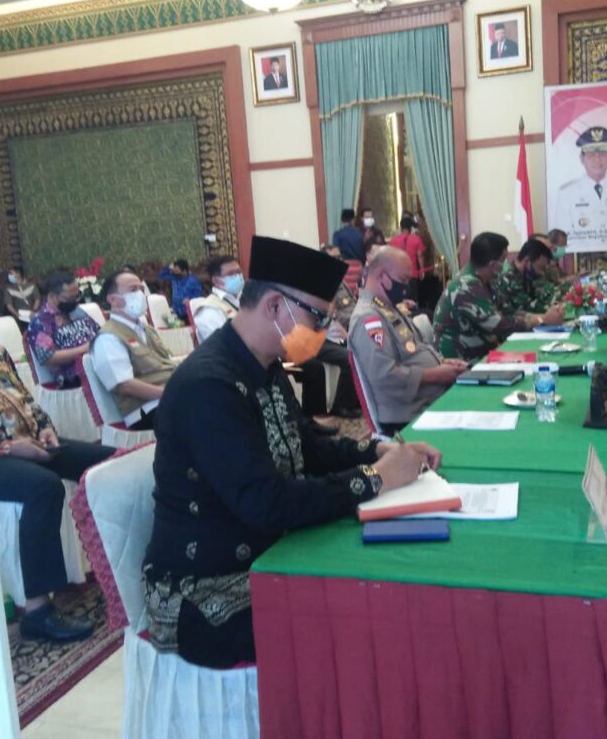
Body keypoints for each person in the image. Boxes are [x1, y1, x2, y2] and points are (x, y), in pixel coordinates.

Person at [142, 236, 441, 669]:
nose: (322, 331)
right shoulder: (208, 386)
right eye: (317, 317)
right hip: (206, 589)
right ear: (274, 307)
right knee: (363, 613)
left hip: (270, 546)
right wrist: (375, 478)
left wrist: (380, 451)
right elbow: (267, 503)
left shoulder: (264, 364)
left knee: (391, 574)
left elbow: (307, 446)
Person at [0, 273, 114, 641]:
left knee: (110, 462)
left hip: (28, 439)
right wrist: (8, 448)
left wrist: (44, 428)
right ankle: (37, 611)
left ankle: (119, 563)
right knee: (43, 487)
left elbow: (24, 398)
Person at [350, 247, 468, 433]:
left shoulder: (388, 308)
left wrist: (443, 363)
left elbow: (414, 351)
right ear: (381, 276)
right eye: (403, 280)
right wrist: (436, 375)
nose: (407, 287)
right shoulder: (369, 319)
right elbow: (385, 376)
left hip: (429, 399)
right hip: (409, 414)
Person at [433, 232, 561, 360]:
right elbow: (498, 325)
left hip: (484, 353)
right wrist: (541, 320)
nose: (505, 265)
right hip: (462, 360)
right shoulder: (466, 285)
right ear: (492, 264)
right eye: (503, 260)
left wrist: (542, 317)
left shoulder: (486, 281)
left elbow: (507, 310)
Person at [91, 270, 177, 430]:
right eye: (133, 290)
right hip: (147, 407)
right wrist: (170, 392)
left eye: (141, 289)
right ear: (112, 300)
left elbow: (166, 362)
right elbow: (125, 385)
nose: (140, 294)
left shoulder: (146, 329)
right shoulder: (108, 337)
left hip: (169, 395)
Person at [554, 126, 607, 244]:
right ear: (582, 158)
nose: (597, 160)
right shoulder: (567, 193)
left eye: (602, 154)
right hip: (581, 254)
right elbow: (564, 233)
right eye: (591, 155)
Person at [27, 270, 100, 388]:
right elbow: (48, 357)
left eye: (77, 296)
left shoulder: (76, 310)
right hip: (74, 376)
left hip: (98, 363)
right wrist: (84, 349)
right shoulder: (41, 321)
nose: (75, 301)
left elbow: (98, 331)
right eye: (70, 298)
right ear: (52, 296)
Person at [494, 238, 563, 315]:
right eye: (540, 268)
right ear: (527, 261)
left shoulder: (526, 276)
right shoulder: (509, 279)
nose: (542, 274)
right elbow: (530, 308)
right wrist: (559, 307)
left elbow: (544, 297)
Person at [194, 255, 243, 343]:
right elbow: (224, 343)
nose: (238, 277)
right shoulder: (209, 309)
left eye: (239, 272)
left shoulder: (246, 297)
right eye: (231, 274)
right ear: (216, 281)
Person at [388, 215, 427, 300]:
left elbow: (390, 257)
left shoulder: (393, 240)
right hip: (412, 274)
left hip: (397, 275)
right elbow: (420, 256)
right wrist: (422, 270)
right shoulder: (416, 239)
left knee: (399, 299)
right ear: (411, 228)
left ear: (401, 228)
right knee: (412, 299)